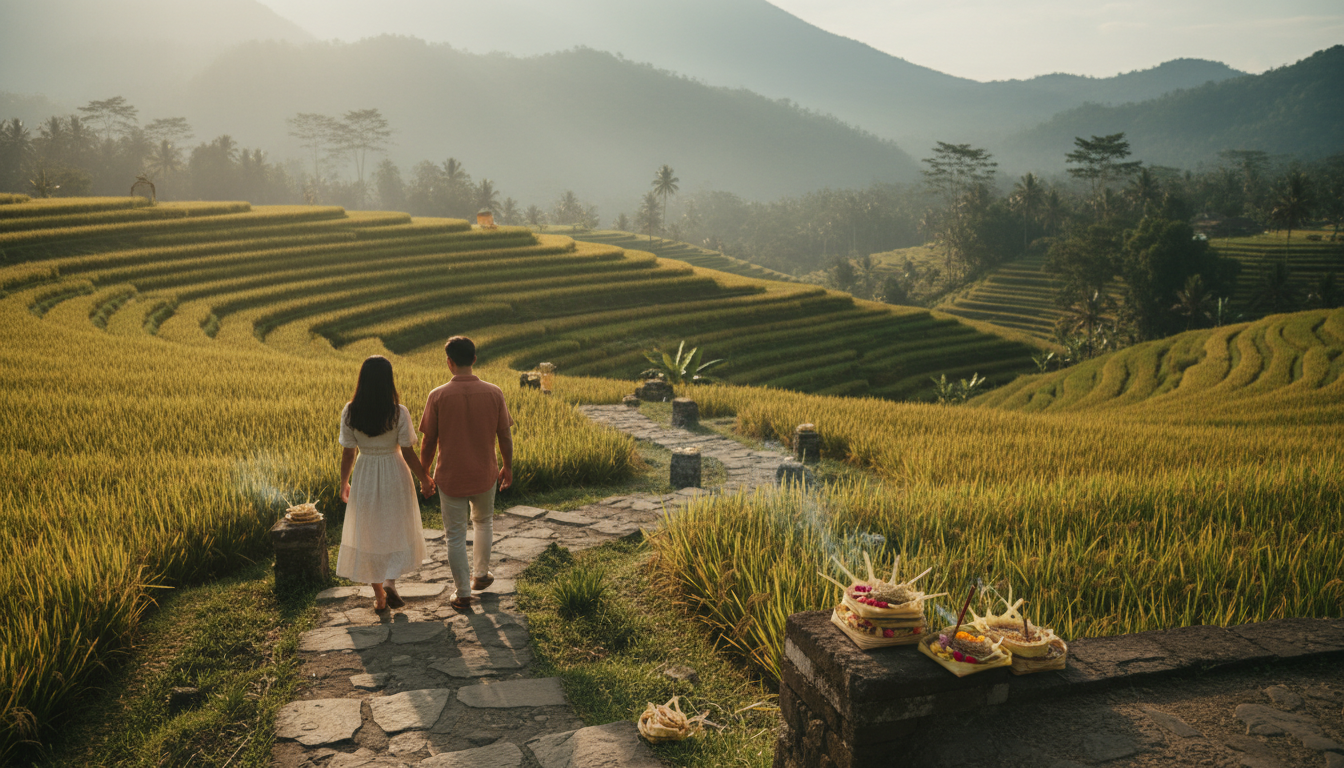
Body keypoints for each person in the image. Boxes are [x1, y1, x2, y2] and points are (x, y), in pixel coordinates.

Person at [419, 336, 514, 611]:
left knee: (455, 535)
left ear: (449, 362)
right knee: (484, 522)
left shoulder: (437, 395)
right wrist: (508, 467)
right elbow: (504, 436)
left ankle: (462, 593)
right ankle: (481, 576)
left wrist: (424, 474)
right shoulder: (494, 392)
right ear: (474, 359)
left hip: (450, 476)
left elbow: (427, 442)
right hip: (485, 472)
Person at [337, 356, 436, 612]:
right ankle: (391, 580)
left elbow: (348, 452)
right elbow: (408, 451)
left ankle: (380, 594)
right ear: (388, 381)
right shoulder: (398, 412)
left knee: (368, 533)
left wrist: (344, 483)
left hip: (366, 473)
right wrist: (424, 478)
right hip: (395, 472)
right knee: (395, 528)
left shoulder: (350, 411)